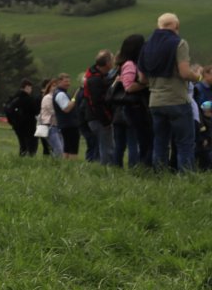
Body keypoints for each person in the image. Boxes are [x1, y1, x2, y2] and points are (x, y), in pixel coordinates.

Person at [141, 12, 203, 174]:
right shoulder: (179, 43)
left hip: (155, 101)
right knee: (184, 143)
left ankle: (160, 176)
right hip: (177, 100)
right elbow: (184, 73)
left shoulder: (147, 46)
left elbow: (142, 78)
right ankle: (187, 177)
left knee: (160, 142)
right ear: (175, 26)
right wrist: (198, 77)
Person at [110, 33, 152, 167]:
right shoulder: (129, 64)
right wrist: (147, 84)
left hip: (136, 107)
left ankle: (143, 166)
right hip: (135, 107)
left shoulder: (130, 63)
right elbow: (128, 87)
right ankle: (142, 167)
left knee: (144, 140)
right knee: (144, 140)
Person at [80, 51, 115, 165]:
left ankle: (105, 167)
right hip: (98, 119)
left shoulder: (95, 76)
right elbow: (96, 103)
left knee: (105, 146)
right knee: (107, 148)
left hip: (94, 118)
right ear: (107, 63)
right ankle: (107, 169)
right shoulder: (95, 80)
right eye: (112, 59)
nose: (114, 62)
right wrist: (106, 121)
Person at [4, 80, 39, 156]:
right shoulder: (29, 99)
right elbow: (36, 111)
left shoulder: (14, 98)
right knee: (32, 144)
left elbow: (7, 110)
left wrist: (12, 122)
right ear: (26, 87)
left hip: (17, 125)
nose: (31, 90)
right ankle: (30, 158)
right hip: (29, 125)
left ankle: (22, 157)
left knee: (22, 144)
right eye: (30, 88)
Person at [37, 78, 65, 158]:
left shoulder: (56, 97)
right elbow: (52, 111)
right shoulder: (48, 97)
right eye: (53, 86)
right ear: (49, 87)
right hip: (50, 126)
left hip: (57, 125)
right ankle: (54, 163)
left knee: (60, 149)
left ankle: (55, 163)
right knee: (58, 149)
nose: (55, 88)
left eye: (56, 86)